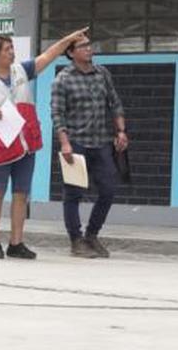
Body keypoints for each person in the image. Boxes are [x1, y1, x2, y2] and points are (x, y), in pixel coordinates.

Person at [0, 28, 89, 260]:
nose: (12, 52)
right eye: (7, 49)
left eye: (12, 47)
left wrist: (67, 38)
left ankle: (16, 242)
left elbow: (48, 55)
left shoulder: (21, 71)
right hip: (0, 143)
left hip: (26, 142)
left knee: (21, 193)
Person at [51, 34, 127, 259]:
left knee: (109, 189)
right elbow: (57, 114)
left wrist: (121, 131)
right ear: (71, 53)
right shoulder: (62, 79)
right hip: (75, 143)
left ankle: (92, 235)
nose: (88, 49)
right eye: (82, 46)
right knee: (73, 193)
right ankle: (76, 240)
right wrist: (65, 143)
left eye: (89, 45)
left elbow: (115, 103)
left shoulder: (102, 74)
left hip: (101, 141)